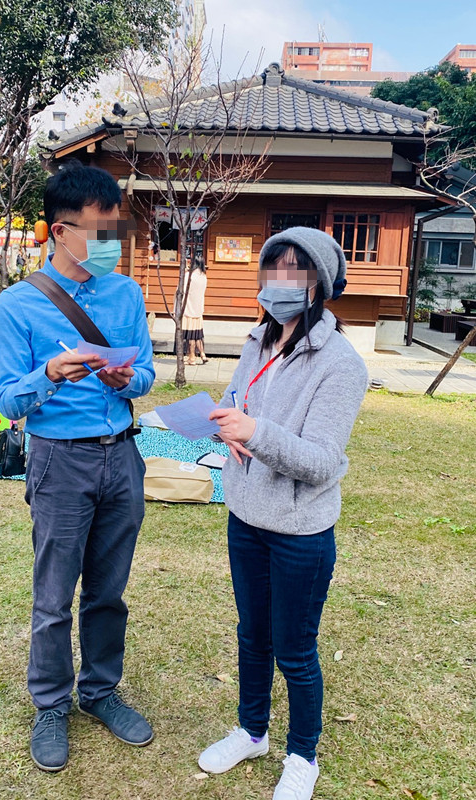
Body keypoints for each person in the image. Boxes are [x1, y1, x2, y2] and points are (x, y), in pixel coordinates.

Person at [0, 164, 156, 773]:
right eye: (100, 229)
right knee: (55, 596)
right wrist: (48, 376)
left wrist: (125, 376)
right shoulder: (19, 305)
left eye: (117, 227)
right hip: (59, 459)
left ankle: (100, 692)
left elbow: (146, 373)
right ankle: (52, 704)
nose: (112, 241)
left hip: (122, 454)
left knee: (109, 592)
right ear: (61, 231)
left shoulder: (127, 292)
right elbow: (7, 400)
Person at [197, 227, 368, 800]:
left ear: (321, 283)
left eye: (297, 271)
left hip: (299, 532)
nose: (282, 282)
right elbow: (235, 401)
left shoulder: (342, 364)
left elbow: (322, 461)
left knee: (294, 648)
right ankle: (251, 731)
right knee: (252, 635)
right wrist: (223, 421)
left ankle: (303, 755)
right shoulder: (256, 340)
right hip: (245, 516)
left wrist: (257, 432)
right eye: (274, 269)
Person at [182, 254, 208, 365]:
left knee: (190, 335)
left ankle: (192, 357)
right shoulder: (203, 276)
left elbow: (181, 290)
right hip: (198, 308)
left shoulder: (189, 276)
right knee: (198, 334)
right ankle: (202, 354)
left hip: (188, 308)